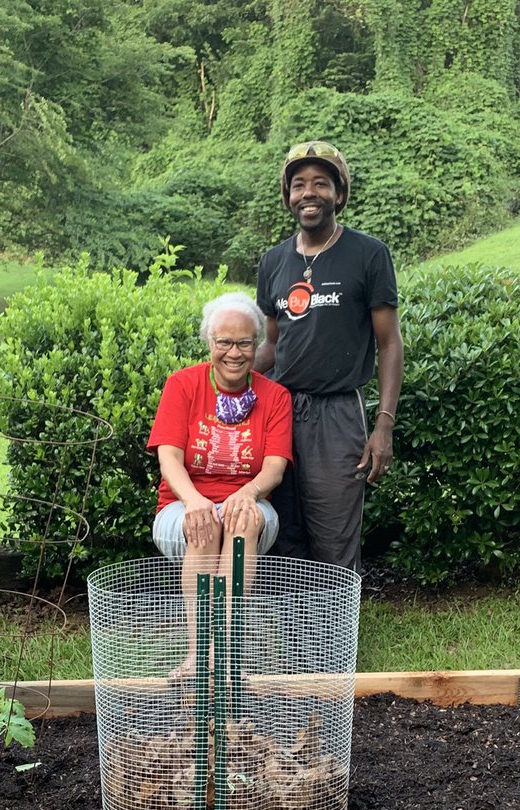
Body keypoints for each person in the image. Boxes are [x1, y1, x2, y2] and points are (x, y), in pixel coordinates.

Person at [255, 140, 404, 573]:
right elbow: (272, 344)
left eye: (321, 183)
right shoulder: (273, 262)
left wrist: (384, 425)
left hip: (338, 414)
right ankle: (295, 637)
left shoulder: (368, 254)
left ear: (339, 194)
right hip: (279, 411)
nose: (309, 193)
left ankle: (335, 638)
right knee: (282, 530)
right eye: (298, 184)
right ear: (287, 196)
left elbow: (390, 343)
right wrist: (216, 378)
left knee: (334, 535)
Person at [147, 291, 293, 672]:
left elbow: (274, 469)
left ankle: (223, 652)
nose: (234, 352)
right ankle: (200, 653)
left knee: (240, 519)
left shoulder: (275, 396)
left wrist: (246, 494)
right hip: (181, 507)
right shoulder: (183, 385)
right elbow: (169, 459)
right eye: (223, 342)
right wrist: (194, 500)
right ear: (209, 342)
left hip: (253, 506)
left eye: (244, 342)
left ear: (257, 343)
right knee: (205, 522)